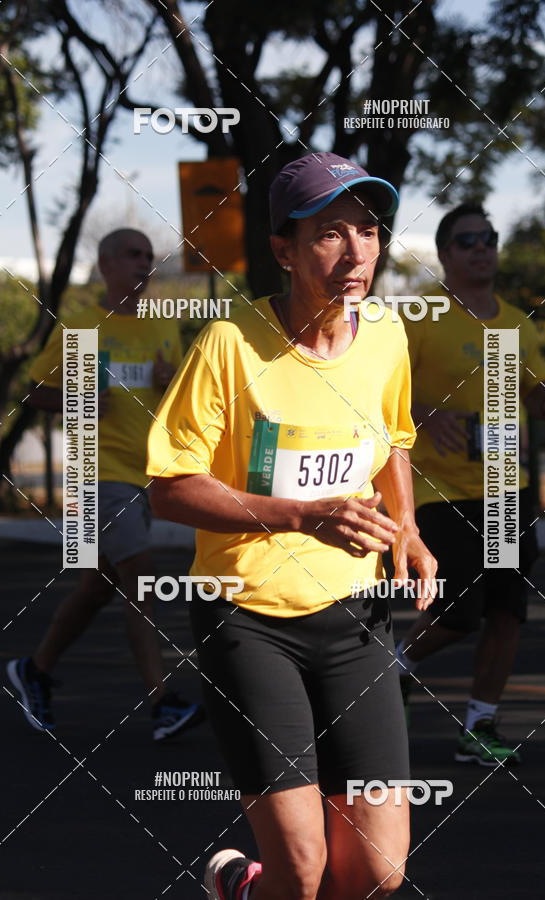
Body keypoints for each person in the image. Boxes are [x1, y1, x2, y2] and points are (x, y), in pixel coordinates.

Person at [146, 152, 438, 900]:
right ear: (284, 250)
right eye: (330, 233)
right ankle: (251, 887)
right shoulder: (229, 346)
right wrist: (302, 516)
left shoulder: (385, 336)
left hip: (357, 620)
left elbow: (393, 439)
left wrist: (404, 524)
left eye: (368, 231)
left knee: (375, 873)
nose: (356, 252)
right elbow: (171, 489)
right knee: (304, 869)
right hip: (248, 619)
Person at [7, 228, 204, 742]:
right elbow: (34, 395)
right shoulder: (80, 328)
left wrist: (169, 383)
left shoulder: (163, 328)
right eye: (133, 255)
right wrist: (77, 400)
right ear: (106, 265)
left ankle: (35, 669)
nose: (144, 264)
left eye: (149, 257)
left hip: (144, 474)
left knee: (99, 586)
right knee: (141, 577)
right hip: (95, 474)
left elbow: (178, 400)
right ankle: (162, 702)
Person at [396, 203, 545, 766]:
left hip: (504, 486)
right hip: (441, 488)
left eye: (488, 239)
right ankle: (395, 667)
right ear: (445, 256)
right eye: (467, 240)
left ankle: (481, 724)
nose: (481, 248)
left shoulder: (515, 323)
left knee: (505, 611)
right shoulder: (422, 315)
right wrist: (426, 414)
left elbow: (532, 388)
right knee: (458, 610)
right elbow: (382, 389)